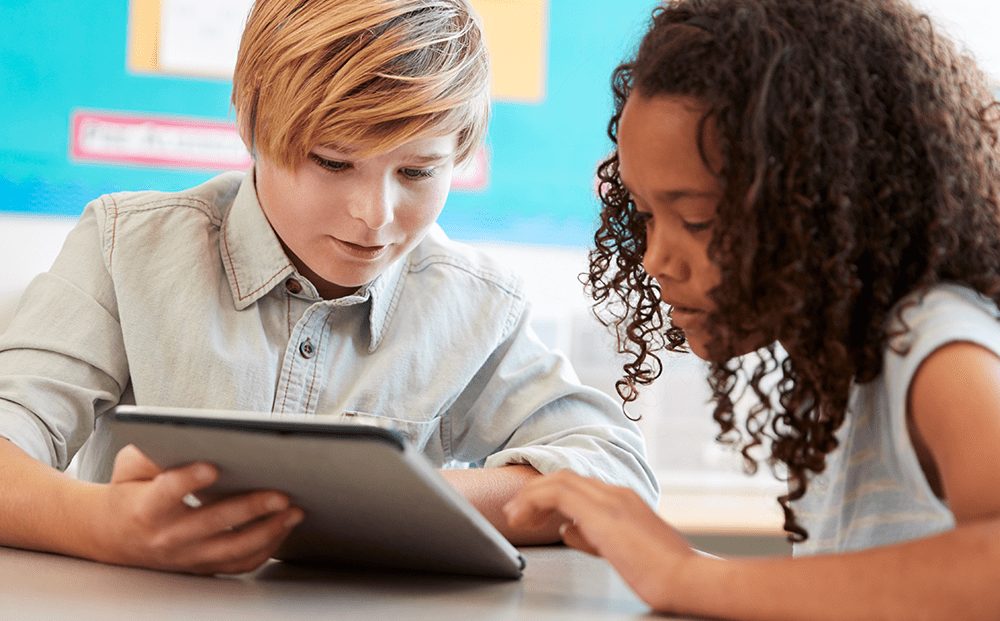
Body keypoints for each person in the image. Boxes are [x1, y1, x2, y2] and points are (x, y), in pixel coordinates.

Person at [0, 0, 658, 575]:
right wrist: (100, 526)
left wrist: (407, 502)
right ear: (251, 122)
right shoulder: (126, 249)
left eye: (419, 171)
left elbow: (617, 476)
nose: (374, 215)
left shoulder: (476, 305)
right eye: (332, 162)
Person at [504, 0, 1000, 617]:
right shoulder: (834, 368)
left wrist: (681, 574)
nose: (656, 258)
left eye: (697, 219)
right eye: (646, 215)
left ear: (820, 202)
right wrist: (657, 560)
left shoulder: (934, 346)